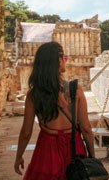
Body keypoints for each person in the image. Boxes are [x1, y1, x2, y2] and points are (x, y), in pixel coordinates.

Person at [14, 41, 95, 179]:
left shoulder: (34, 95)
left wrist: (18, 156)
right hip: (74, 148)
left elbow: (26, 132)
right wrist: (92, 158)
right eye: (63, 56)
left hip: (47, 149)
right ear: (57, 61)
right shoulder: (76, 90)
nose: (65, 60)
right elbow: (86, 129)